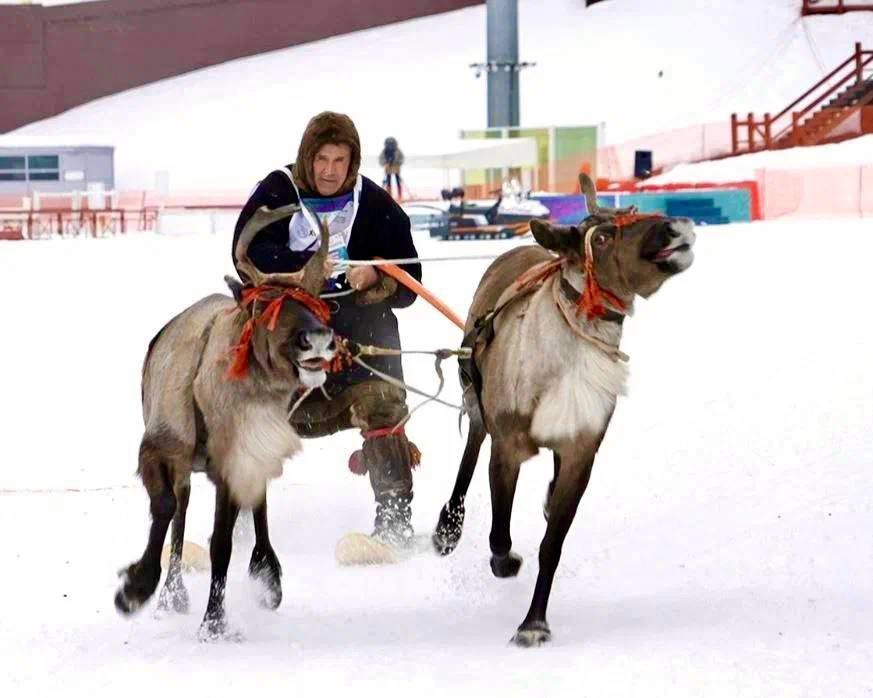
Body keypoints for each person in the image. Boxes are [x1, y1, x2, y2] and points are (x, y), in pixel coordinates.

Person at [231, 112, 422, 553]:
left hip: (357, 345)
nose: (330, 170)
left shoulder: (373, 204)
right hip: (285, 344)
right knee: (246, 415)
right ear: (307, 158)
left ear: (353, 162)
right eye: (321, 159)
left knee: (385, 405)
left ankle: (393, 521)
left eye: (340, 160)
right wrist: (300, 273)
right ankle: (238, 523)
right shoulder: (277, 192)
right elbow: (246, 252)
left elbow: (412, 280)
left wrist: (377, 277)